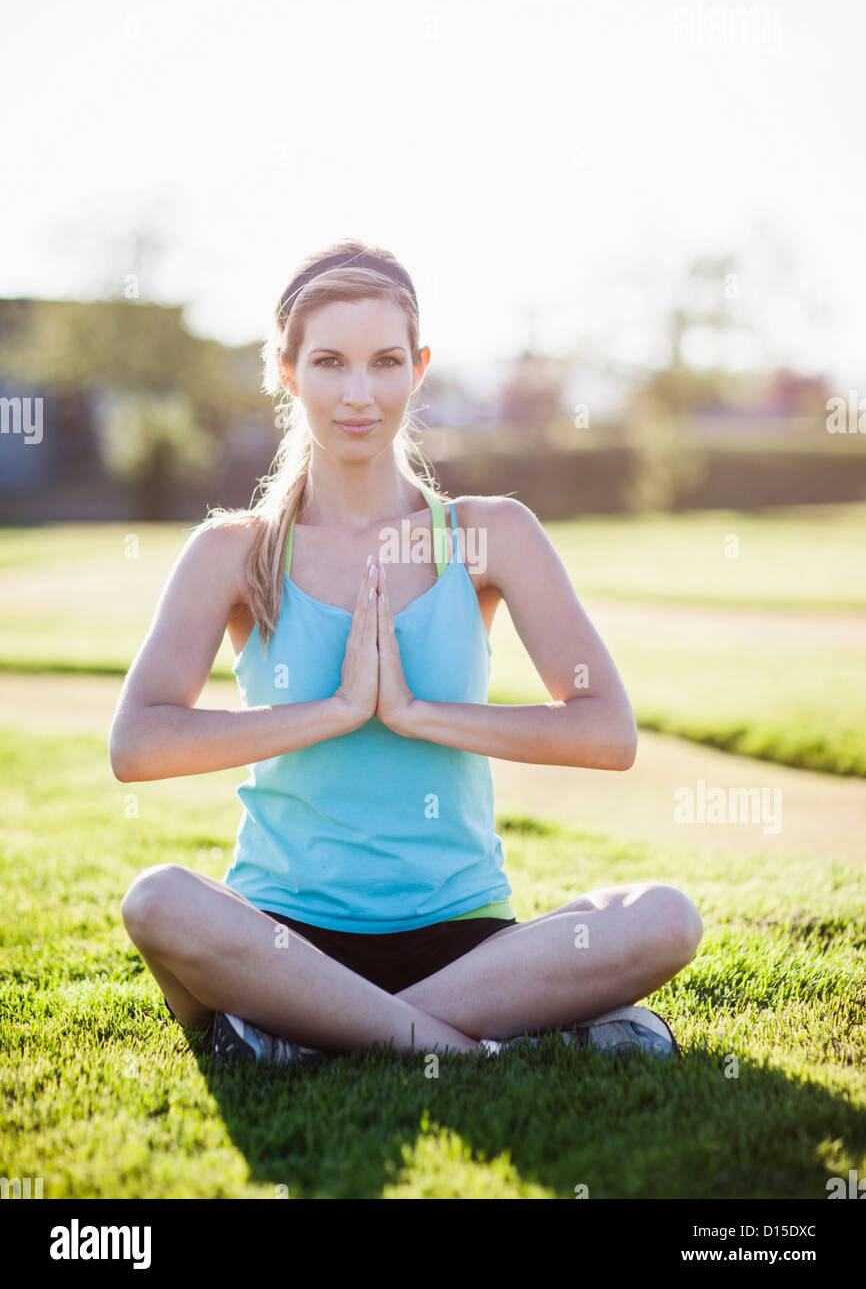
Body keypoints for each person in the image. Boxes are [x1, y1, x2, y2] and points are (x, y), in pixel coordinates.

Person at [110, 238, 702, 1067]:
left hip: (465, 940)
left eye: (385, 362)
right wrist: (334, 712)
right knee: (160, 902)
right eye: (329, 363)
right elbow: (137, 746)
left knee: (666, 918)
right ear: (287, 372)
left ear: (418, 368)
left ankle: (310, 1030)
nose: (359, 394)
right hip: (281, 939)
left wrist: (419, 715)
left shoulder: (492, 534)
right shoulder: (231, 553)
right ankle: (477, 1041)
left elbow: (609, 732)